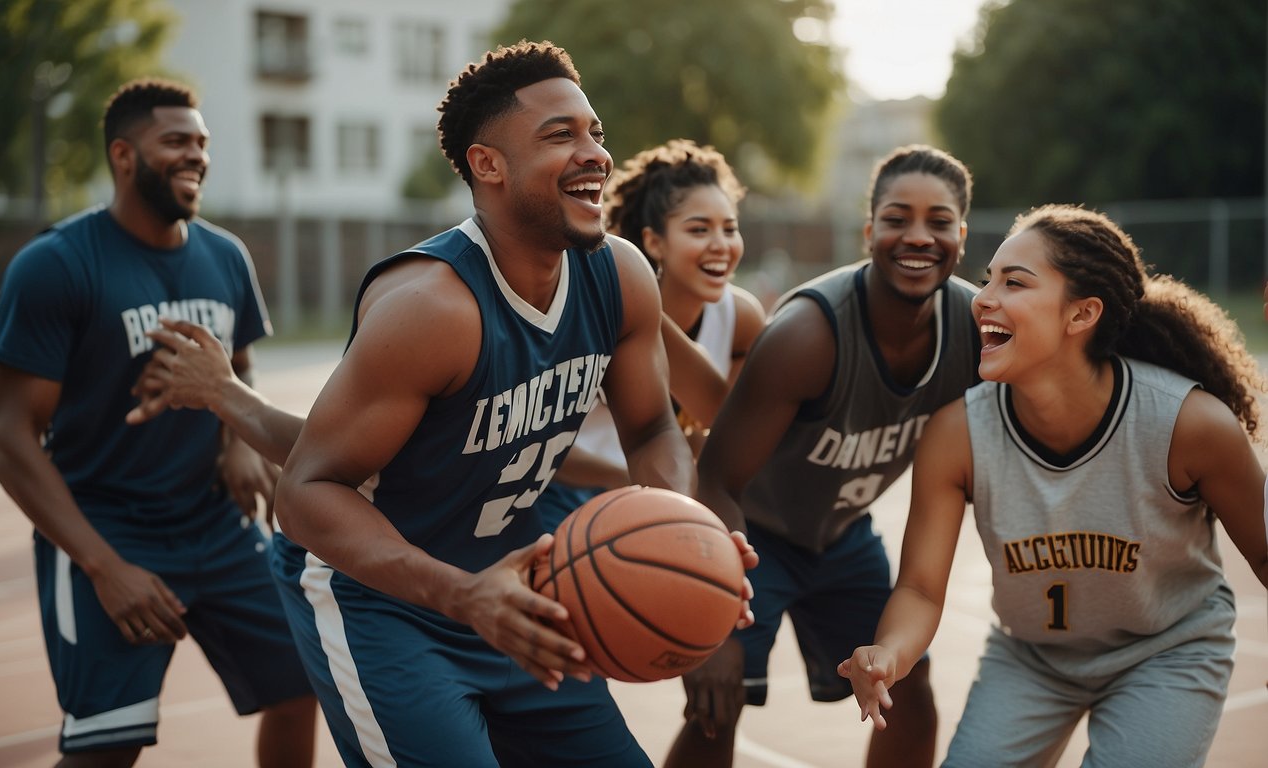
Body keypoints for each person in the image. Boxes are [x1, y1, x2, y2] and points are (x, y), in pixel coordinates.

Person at [224, 41, 752, 768]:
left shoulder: (620, 273)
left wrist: (684, 533)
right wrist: (461, 595)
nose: (595, 152)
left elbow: (654, 423)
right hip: (378, 599)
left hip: (517, 583)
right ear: (488, 164)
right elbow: (307, 491)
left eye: (594, 131)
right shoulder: (432, 310)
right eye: (560, 135)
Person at [841, 205, 1268, 766]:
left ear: (1081, 314)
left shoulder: (1187, 425)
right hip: (1033, 657)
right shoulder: (957, 435)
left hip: (1167, 651)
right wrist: (889, 654)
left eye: (1014, 282)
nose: (984, 296)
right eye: (989, 277)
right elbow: (920, 589)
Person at [0, 79, 317, 767]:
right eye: (176, 142)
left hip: (216, 522)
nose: (196, 155)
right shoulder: (56, 265)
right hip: (108, 530)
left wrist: (235, 441)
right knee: (109, 748)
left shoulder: (226, 256)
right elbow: (5, 439)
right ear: (124, 156)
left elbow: (237, 366)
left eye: (202, 142)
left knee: (300, 684)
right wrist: (105, 568)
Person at [666, 145, 981, 768]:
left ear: (961, 235)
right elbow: (717, 478)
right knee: (716, 706)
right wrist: (717, 622)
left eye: (938, 221)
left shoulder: (973, 326)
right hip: (752, 535)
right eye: (897, 218)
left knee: (908, 681)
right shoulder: (809, 335)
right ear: (869, 231)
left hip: (842, 534)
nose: (918, 236)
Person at [535, 138, 766, 528]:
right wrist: (638, 483)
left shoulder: (740, 318)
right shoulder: (601, 304)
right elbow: (542, 450)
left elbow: (723, 428)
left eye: (730, 229)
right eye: (699, 229)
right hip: (564, 492)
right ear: (654, 242)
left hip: (663, 491)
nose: (721, 246)